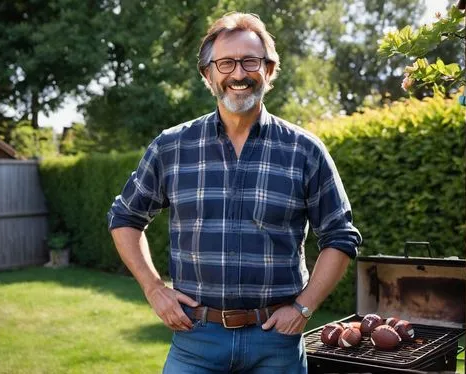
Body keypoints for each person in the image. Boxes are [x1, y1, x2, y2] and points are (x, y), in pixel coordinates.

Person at [107, 12, 362, 374]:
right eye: (225, 63)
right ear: (207, 74)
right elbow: (125, 218)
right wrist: (153, 288)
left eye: (250, 62)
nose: (238, 74)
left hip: (276, 341)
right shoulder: (172, 147)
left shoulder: (305, 150)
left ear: (269, 70)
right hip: (195, 338)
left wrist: (304, 307)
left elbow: (340, 236)